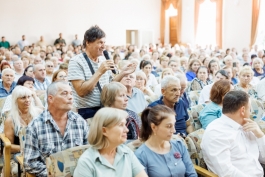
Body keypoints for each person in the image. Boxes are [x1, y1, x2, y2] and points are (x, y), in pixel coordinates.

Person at [68, 26, 136, 119]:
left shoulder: (102, 59)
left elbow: (109, 85)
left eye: (104, 42)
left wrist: (123, 73)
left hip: (106, 108)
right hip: (87, 112)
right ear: (88, 42)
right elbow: (81, 91)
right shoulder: (76, 62)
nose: (103, 46)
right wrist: (99, 71)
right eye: (100, 42)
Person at [24, 81, 89, 176]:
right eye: (64, 93)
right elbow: (30, 163)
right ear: (50, 98)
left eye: (71, 93)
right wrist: (54, 174)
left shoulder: (80, 121)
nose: (71, 97)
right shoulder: (36, 126)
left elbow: (89, 153)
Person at [201, 90, 265, 177]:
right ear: (242, 110)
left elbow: (263, 158)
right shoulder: (215, 132)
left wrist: (260, 135)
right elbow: (226, 172)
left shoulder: (248, 126)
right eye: (249, 109)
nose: (250, 113)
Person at [74, 108, 147, 177]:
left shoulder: (127, 152)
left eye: (125, 124)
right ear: (104, 131)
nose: (127, 130)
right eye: (121, 125)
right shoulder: (86, 162)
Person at [135, 105, 197, 177]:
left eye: (174, 125)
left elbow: (192, 174)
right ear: (154, 127)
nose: (174, 131)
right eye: (169, 126)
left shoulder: (179, 145)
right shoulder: (141, 155)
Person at [4, 86, 42, 153]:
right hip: (21, 153)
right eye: (23, 98)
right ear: (16, 100)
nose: (27, 100)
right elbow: (9, 146)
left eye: (29, 97)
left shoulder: (39, 113)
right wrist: (27, 148)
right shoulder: (10, 120)